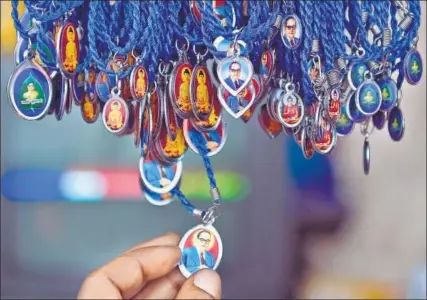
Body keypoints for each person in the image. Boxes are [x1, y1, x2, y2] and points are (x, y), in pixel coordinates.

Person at [77, 232, 222, 299]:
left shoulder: (209, 257)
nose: (203, 243)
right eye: (201, 240)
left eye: (206, 241)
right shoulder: (187, 254)